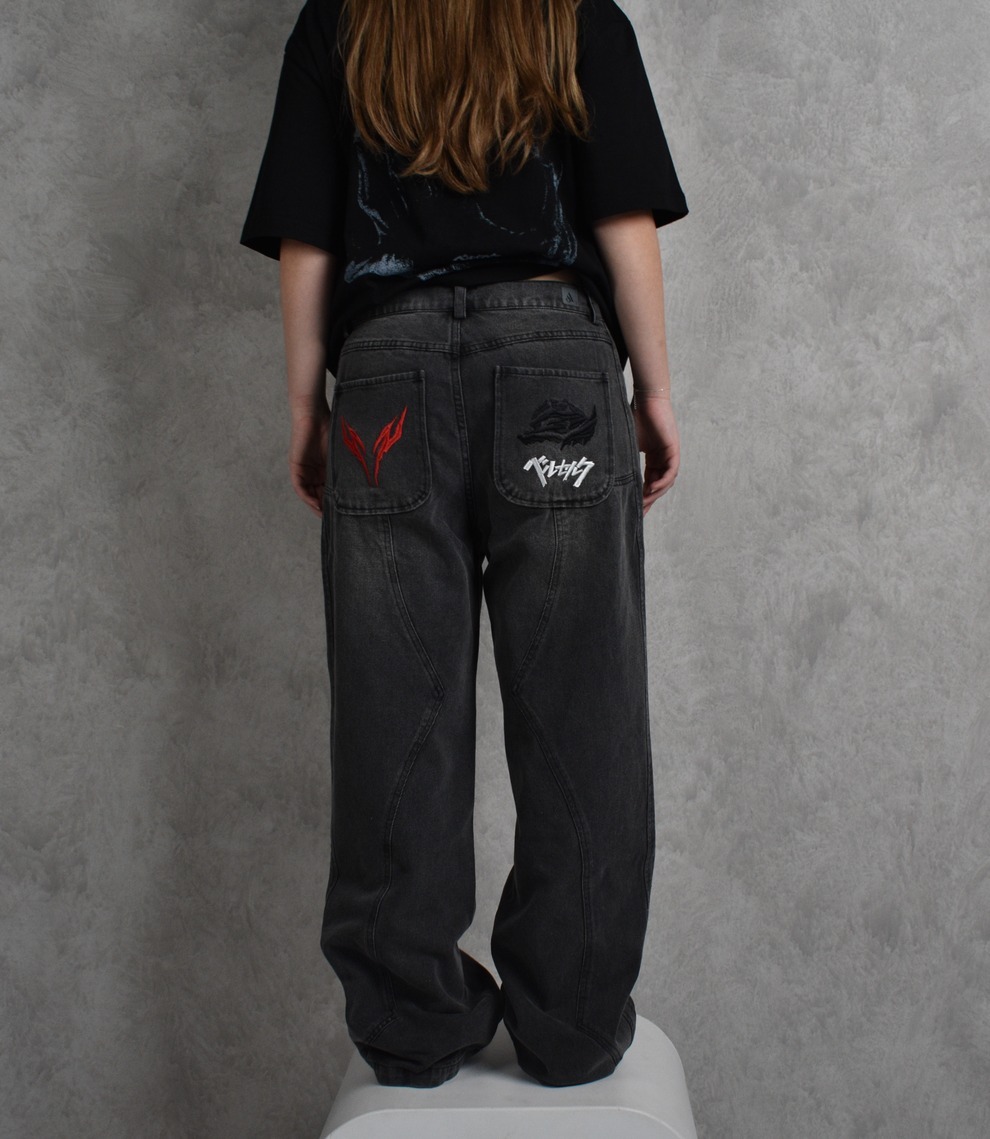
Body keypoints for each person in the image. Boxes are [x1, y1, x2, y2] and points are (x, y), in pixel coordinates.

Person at [239, 0, 688, 1091]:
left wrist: (304, 407)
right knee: (582, 707)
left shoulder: (342, 21)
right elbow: (622, 216)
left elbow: (310, 236)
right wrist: (656, 388)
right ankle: (573, 1020)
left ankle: (413, 1021)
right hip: (555, 366)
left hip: (386, 380)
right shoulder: (574, 12)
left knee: (393, 712)